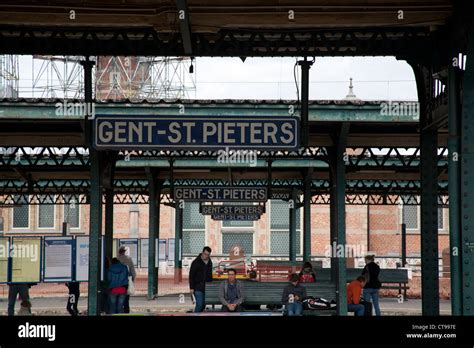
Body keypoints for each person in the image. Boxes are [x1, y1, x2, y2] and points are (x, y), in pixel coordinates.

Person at [189, 246, 213, 312]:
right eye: (205, 254)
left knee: (203, 305)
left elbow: (209, 274)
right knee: (199, 304)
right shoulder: (196, 262)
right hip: (198, 287)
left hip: (206, 287)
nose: (206, 256)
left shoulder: (209, 262)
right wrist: (191, 287)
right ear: (202, 253)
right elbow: (191, 275)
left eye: (208, 255)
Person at [117, 246, 136, 314]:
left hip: (117, 282)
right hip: (126, 281)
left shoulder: (116, 259)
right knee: (126, 299)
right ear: (124, 251)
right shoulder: (129, 259)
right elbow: (133, 272)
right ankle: (126, 312)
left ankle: (119, 312)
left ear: (119, 252)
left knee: (118, 298)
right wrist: (132, 280)